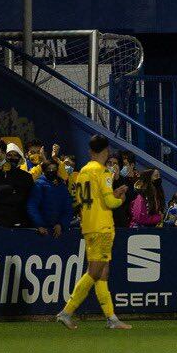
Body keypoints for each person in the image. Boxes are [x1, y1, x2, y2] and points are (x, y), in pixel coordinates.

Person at [56, 134, 131, 331]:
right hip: (102, 227)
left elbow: (89, 200)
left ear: (90, 151)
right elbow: (110, 203)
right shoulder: (103, 172)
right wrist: (121, 198)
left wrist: (113, 193)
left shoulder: (82, 172)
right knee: (95, 272)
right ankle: (67, 312)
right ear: (105, 152)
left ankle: (111, 318)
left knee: (102, 273)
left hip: (88, 225)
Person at [0, 142, 33, 227]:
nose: (13, 158)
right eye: (9, 155)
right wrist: (11, 190)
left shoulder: (27, 177)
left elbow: (25, 199)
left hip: (21, 220)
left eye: (15, 155)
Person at [27, 159, 74, 237]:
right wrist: (39, 225)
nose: (51, 171)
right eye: (49, 169)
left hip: (58, 229)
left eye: (54, 169)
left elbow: (68, 207)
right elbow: (32, 206)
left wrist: (61, 224)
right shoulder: (38, 185)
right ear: (44, 170)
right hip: (42, 230)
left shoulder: (62, 186)